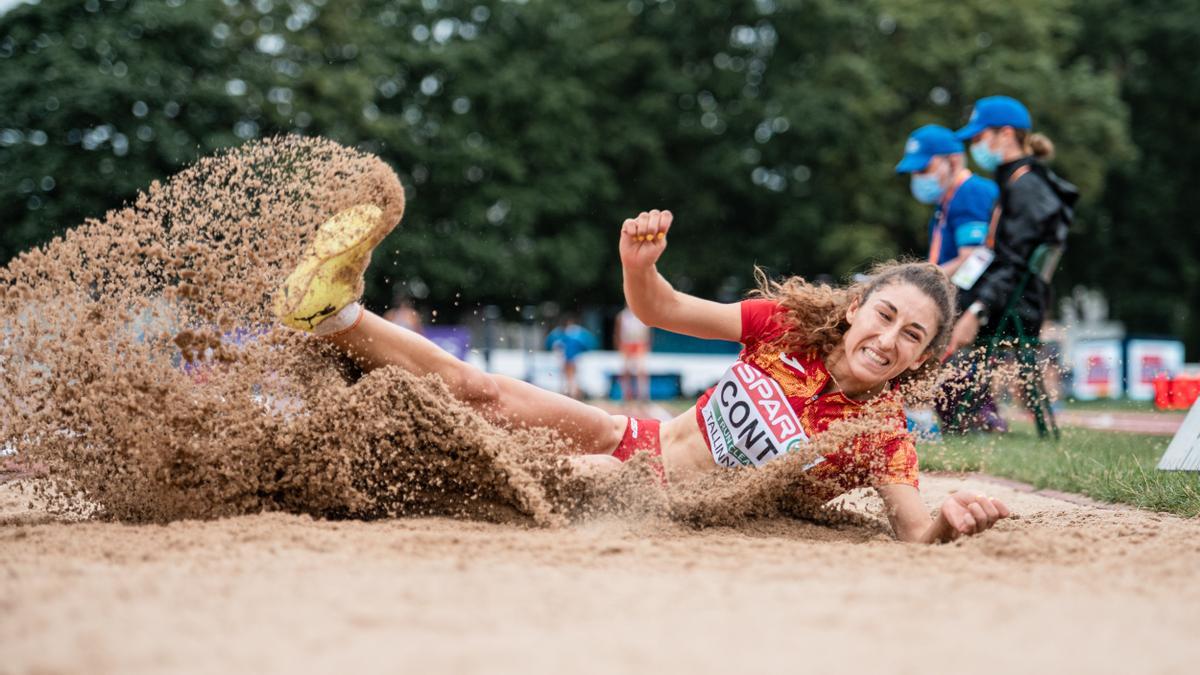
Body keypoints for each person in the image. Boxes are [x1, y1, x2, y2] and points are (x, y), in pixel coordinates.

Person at [273, 205, 1010, 544]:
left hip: (653, 502)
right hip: (633, 439)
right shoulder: (786, 327)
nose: (887, 339)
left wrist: (955, 517)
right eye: (883, 316)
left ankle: (291, 465)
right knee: (481, 392)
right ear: (854, 310)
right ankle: (334, 315)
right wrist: (638, 266)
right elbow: (664, 308)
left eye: (911, 335)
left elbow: (915, 530)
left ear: (922, 358)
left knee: (480, 467)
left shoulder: (878, 432)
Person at [947, 95, 1078, 354]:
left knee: (927, 312)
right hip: (1000, 300)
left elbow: (1014, 265)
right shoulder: (1013, 183)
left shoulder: (1027, 189)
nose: (974, 147)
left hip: (1011, 309)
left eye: (978, 138)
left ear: (1006, 134)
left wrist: (976, 311)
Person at [896, 124, 1006, 432]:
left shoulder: (969, 193)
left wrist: (921, 280)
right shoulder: (946, 203)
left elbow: (973, 258)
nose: (918, 178)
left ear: (953, 161)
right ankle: (975, 413)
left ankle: (922, 414)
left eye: (925, 168)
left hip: (977, 298)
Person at [545, 315, 596, 399]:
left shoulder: (561, 334)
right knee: (571, 378)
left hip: (570, 358)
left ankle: (572, 394)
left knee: (569, 378)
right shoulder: (577, 333)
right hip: (571, 358)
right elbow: (589, 343)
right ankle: (573, 394)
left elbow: (550, 343)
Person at [615, 305, 652, 408]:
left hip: (639, 343)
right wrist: (620, 346)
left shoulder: (641, 314)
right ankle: (626, 395)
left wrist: (647, 344)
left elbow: (647, 331)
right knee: (625, 371)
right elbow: (618, 331)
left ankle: (643, 396)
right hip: (627, 343)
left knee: (641, 370)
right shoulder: (623, 315)